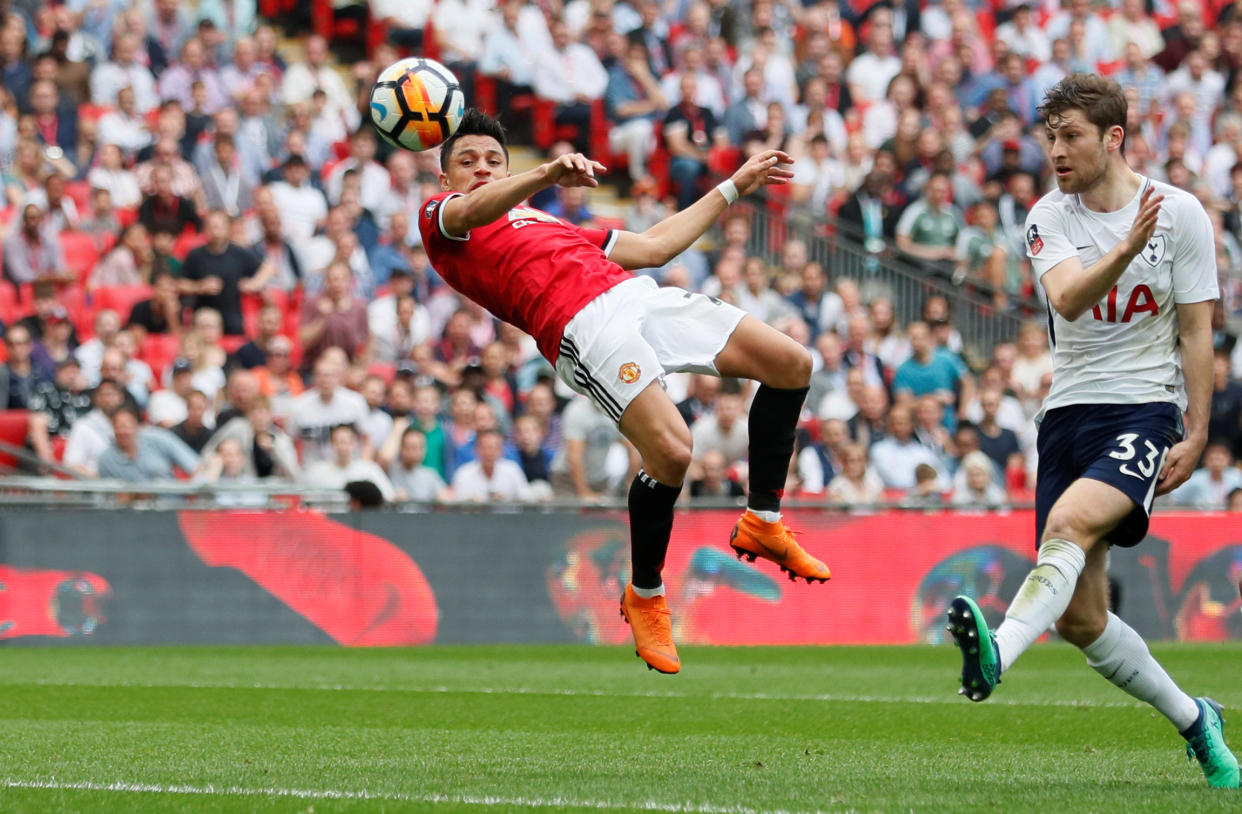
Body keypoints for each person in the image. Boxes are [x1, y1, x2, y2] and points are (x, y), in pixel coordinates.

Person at [418, 108, 828, 675]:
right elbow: (475, 207)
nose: (483, 170)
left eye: (494, 160)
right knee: (673, 452)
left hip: (637, 297)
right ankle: (645, 594)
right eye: (468, 162)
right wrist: (541, 174)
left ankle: (761, 518)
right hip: (582, 327)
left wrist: (733, 186)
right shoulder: (443, 218)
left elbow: (656, 246)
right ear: (446, 179)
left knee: (790, 362)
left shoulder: (544, 223)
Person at [945, 74, 1239, 788]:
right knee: (1081, 621)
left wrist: (1196, 433)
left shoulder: (1183, 215)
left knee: (1070, 524)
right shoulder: (1049, 215)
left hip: (1141, 409)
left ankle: (997, 658)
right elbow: (1069, 299)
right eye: (1050, 136)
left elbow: (1198, 331)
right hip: (1067, 416)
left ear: (1113, 138)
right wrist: (1127, 246)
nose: (1056, 151)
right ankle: (1198, 721)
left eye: (1070, 135)